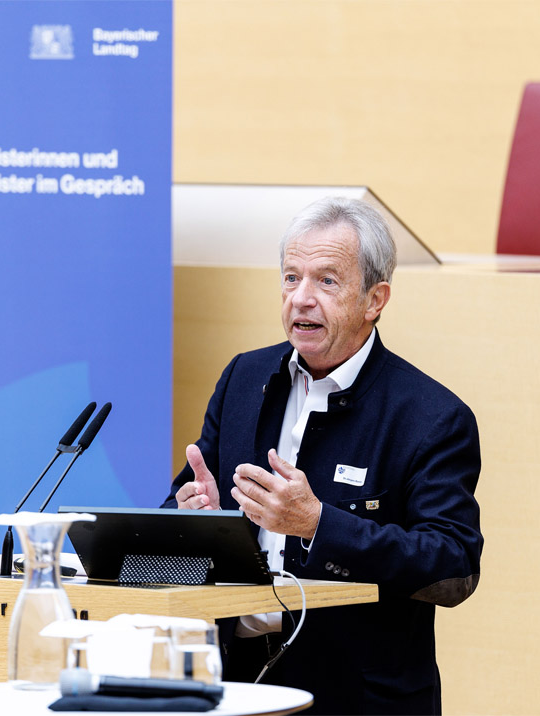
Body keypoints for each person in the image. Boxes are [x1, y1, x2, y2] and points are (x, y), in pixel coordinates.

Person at [162, 197, 483, 715]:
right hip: (233, 687)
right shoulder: (243, 379)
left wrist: (317, 525)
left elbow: (453, 569)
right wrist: (192, 519)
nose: (301, 299)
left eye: (326, 282)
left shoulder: (430, 417)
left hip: (356, 698)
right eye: (291, 279)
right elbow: (174, 514)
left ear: (374, 299)